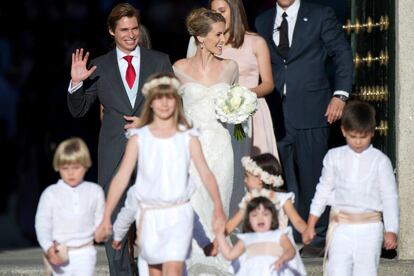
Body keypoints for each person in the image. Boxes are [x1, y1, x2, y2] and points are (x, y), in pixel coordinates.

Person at [67, 3, 173, 274]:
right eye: (124, 29)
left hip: (153, 152)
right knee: (114, 222)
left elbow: (176, 105)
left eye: (134, 28)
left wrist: (150, 121)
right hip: (114, 154)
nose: (130, 34)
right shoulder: (99, 66)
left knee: (153, 222)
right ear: (111, 31)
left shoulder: (158, 60)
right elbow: (78, 110)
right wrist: (77, 83)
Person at [96, 73, 226, 276]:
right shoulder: (138, 138)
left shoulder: (188, 137)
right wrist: (106, 217)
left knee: (173, 270)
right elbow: (121, 177)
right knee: (154, 271)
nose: (164, 103)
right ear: (150, 102)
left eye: (170, 97)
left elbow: (206, 173)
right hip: (150, 217)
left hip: (178, 214)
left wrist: (218, 206)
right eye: (159, 97)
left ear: (176, 100)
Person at [255, 0, 353, 254]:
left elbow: (342, 52)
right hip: (275, 111)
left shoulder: (320, 14)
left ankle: (318, 237)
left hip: (313, 108)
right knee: (280, 176)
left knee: (313, 175)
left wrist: (340, 95)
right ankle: (290, 234)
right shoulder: (263, 20)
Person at [187, 0, 279, 216]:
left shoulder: (254, 42)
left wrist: (241, 96)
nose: (218, 15)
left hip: (249, 111)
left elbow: (268, 83)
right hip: (215, 117)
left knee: (255, 172)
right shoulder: (205, 44)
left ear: (234, 11)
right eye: (213, 11)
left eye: (222, 11)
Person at [173, 7, 239, 274]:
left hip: (221, 146)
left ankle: (218, 256)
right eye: (218, 34)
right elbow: (172, 112)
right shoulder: (178, 68)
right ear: (201, 37)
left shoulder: (230, 68)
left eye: (223, 33)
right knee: (193, 201)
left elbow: (236, 113)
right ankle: (191, 256)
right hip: (191, 146)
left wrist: (238, 116)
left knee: (218, 201)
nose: (223, 39)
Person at [302, 100, 399, 276]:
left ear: (372, 132)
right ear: (343, 131)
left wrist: (391, 229)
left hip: (370, 228)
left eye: (363, 137)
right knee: (337, 271)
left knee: (366, 271)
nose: (358, 142)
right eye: (353, 136)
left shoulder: (381, 161)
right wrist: (311, 224)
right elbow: (322, 190)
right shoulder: (334, 157)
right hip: (340, 227)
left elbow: (389, 196)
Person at [225, 153, 306, 275]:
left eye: (247, 176)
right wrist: (217, 241)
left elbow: (297, 221)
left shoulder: (282, 198)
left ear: (260, 180)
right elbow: (233, 223)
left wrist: (307, 231)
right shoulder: (249, 199)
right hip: (256, 248)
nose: (244, 180)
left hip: (280, 247)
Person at [34, 137, 105, 275]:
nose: (70, 173)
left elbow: (100, 221)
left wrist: (102, 232)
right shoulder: (51, 193)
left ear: (85, 165)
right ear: (57, 167)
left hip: (85, 252)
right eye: (65, 168)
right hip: (59, 252)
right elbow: (43, 224)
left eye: (76, 167)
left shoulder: (94, 191)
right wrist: (48, 247)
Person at [215, 195, 298, 275]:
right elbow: (230, 255)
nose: (260, 218)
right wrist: (220, 236)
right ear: (248, 220)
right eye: (254, 215)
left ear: (272, 218)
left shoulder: (278, 236)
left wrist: (283, 259)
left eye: (265, 214)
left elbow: (291, 251)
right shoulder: (246, 239)